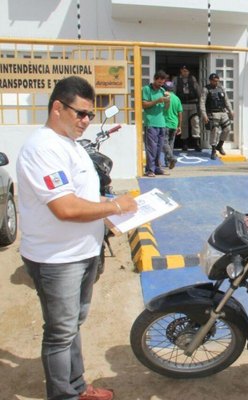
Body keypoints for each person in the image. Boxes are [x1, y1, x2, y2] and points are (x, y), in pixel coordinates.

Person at [16, 76, 138, 400]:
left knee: (73, 325)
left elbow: (82, 197)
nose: (86, 121)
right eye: (80, 113)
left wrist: (114, 212)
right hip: (57, 259)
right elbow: (66, 208)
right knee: (60, 332)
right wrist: (113, 206)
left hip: (82, 252)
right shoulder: (42, 148)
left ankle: (77, 386)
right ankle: (65, 395)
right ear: (58, 107)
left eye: (90, 115)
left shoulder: (70, 144)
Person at [142, 70, 170, 177]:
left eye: (162, 83)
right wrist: (157, 101)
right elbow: (144, 104)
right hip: (151, 122)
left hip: (161, 123)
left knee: (159, 148)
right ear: (154, 79)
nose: (160, 84)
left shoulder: (162, 90)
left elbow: (166, 108)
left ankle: (157, 168)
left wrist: (168, 100)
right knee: (151, 148)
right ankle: (150, 169)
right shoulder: (146, 89)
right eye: (159, 82)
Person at [200, 73, 234, 160]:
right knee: (214, 131)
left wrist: (230, 111)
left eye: (217, 81)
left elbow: (226, 100)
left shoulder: (221, 88)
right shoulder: (206, 89)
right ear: (210, 80)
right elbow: (202, 102)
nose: (216, 82)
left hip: (223, 112)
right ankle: (213, 150)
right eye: (214, 81)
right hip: (212, 113)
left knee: (227, 129)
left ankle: (220, 145)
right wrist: (204, 114)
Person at [172, 65, 202, 152]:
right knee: (183, 124)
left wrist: (200, 104)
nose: (185, 72)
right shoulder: (176, 79)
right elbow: (173, 91)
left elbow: (198, 91)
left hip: (193, 104)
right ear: (181, 71)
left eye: (187, 71)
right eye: (183, 70)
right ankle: (184, 144)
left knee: (195, 123)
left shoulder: (192, 79)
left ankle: (196, 143)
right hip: (182, 104)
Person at [162, 80, 182, 169]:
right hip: (174, 124)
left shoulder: (163, 97)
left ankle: (171, 158)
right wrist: (179, 126)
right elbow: (180, 113)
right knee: (170, 144)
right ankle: (167, 162)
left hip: (165, 123)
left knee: (164, 143)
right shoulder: (177, 98)